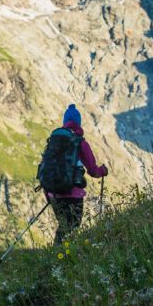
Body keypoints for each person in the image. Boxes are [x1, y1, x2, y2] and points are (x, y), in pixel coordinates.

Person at [45, 104, 108, 245]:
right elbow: (93, 170)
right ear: (78, 123)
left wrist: (48, 194)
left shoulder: (54, 140)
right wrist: (102, 171)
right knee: (73, 225)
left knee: (64, 226)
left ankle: (58, 255)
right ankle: (64, 257)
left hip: (53, 192)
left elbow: (47, 166)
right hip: (72, 194)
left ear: (65, 122)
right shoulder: (80, 142)